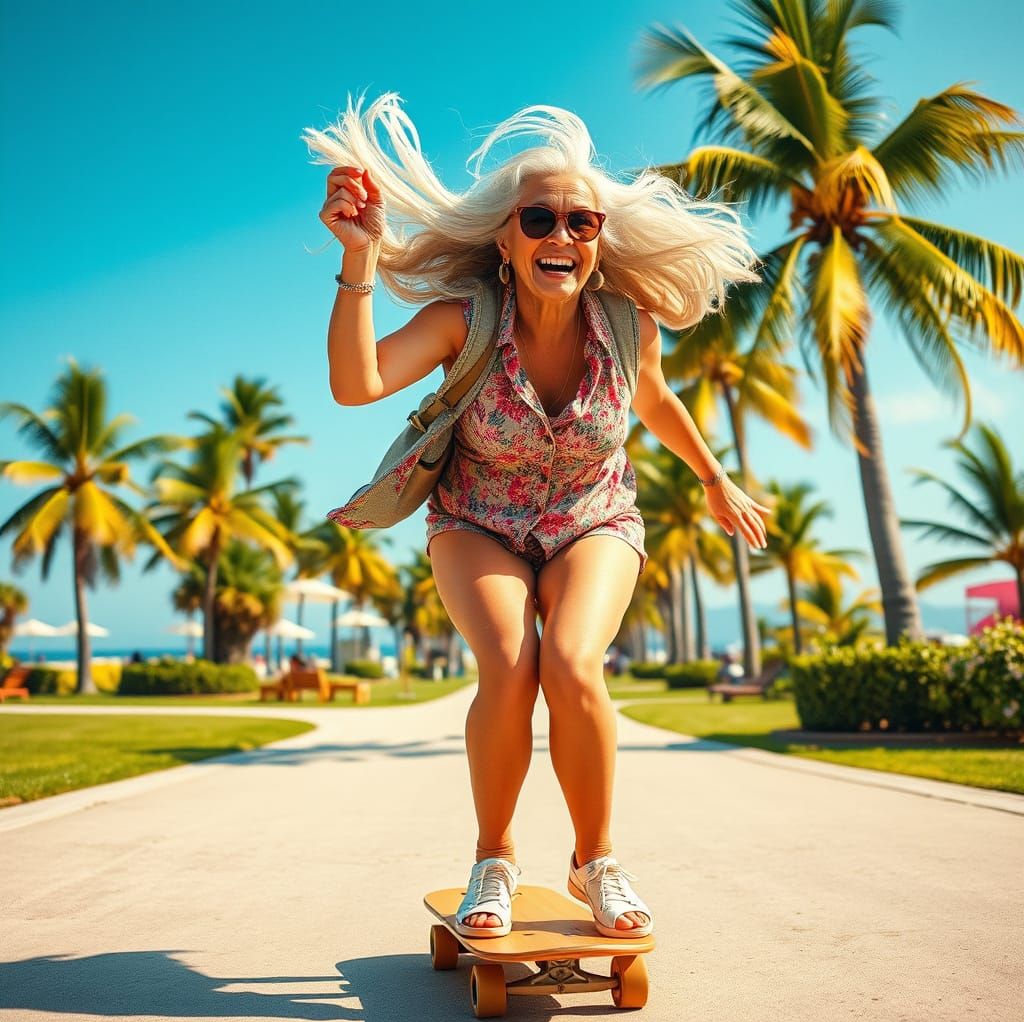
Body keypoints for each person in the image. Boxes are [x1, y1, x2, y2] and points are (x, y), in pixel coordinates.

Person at [305, 92, 771, 941]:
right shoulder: (467, 321)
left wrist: (712, 477)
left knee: (571, 662)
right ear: (506, 239)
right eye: (541, 218)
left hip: (593, 517)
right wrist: (360, 258)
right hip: (476, 521)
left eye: (582, 222)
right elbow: (356, 383)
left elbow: (655, 402)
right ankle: (495, 858)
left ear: (599, 240)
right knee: (510, 667)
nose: (563, 235)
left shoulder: (628, 325)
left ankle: (595, 863)